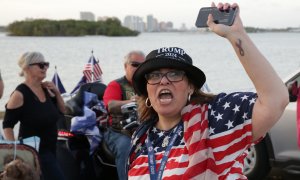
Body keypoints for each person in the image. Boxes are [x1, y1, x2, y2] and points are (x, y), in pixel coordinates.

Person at [126, 2, 289, 180]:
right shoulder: (140, 138)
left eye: (174, 74)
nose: (164, 81)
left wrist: (236, 35)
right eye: (155, 75)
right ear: (147, 88)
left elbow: (276, 99)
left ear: (190, 86)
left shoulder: (214, 121)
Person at [2, 52, 66, 180]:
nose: (45, 68)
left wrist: (57, 92)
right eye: (41, 65)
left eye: (46, 64)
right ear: (27, 68)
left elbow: (62, 111)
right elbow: (7, 124)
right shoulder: (20, 94)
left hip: (52, 148)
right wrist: (15, 150)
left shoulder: (46, 88)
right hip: (33, 151)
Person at [103, 50, 145, 180]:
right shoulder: (116, 85)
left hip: (143, 129)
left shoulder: (148, 85)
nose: (139, 69)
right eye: (134, 64)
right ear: (125, 66)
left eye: (142, 66)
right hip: (118, 132)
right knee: (126, 147)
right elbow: (110, 105)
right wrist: (132, 102)